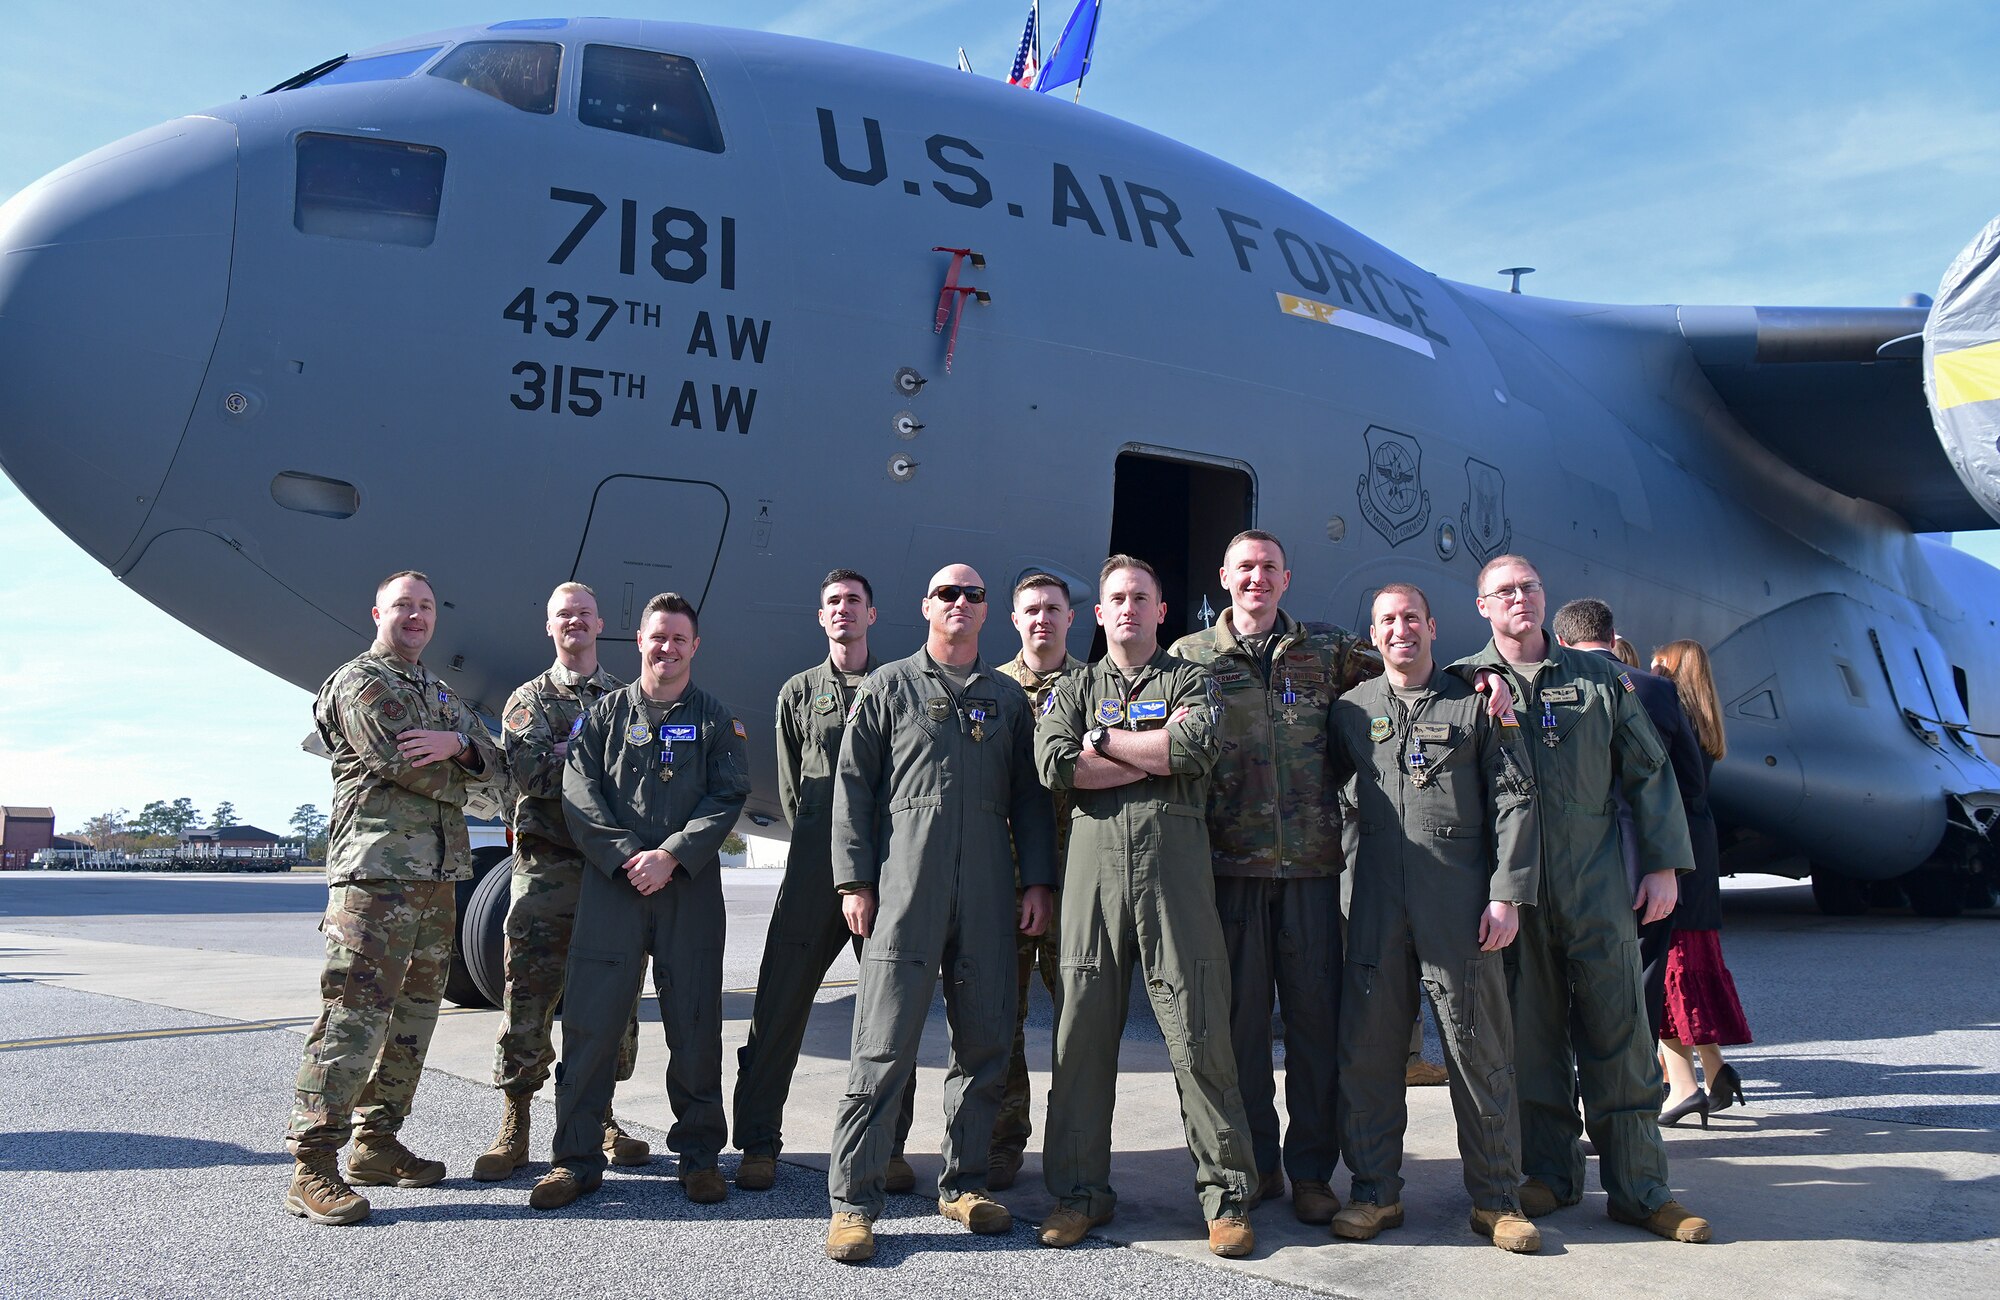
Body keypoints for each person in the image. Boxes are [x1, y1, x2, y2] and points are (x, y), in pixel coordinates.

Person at [1456, 556, 1711, 1243]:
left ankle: (1641, 1189)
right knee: (1533, 1037)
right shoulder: (1462, 685)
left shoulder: (1599, 678)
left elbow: (1649, 770)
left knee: (1620, 1036)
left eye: (1530, 587)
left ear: (1545, 598)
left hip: (1597, 883)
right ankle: (1551, 1174)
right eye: (1504, 591)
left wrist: (1662, 866)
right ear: (1482, 606)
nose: (1520, 598)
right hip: (1519, 892)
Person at [823, 564, 1057, 1263]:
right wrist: (854, 883)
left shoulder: (1007, 699)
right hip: (906, 890)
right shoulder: (891, 686)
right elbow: (854, 787)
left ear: (988, 612)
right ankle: (853, 1203)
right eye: (947, 593)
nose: (960, 603)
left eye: (973, 595)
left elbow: (1030, 800)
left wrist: (1036, 882)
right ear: (926, 605)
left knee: (984, 1043)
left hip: (988, 892)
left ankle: (964, 1183)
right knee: (883, 1045)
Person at [1036, 556, 1260, 1259]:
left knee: (1199, 1038)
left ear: (1163, 611)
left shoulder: (1191, 678)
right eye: (1116, 599)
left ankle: (1225, 1200)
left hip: (1175, 877)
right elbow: (1055, 763)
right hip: (1092, 876)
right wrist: (1146, 752)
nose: (1128, 607)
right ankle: (1079, 1195)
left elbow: (1195, 748)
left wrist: (1102, 744)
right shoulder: (1073, 687)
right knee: (1079, 1043)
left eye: (1141, 596)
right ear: (1097, 615)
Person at [1167, 529, 1377, 1224]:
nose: (1256, 579)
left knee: (1317, 1029)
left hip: (1313, 870)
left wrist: (1480, 677)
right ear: (1224, 577)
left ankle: (1314, 1171)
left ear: (1287, 579)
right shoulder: (1190, 658)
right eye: (1245, 568)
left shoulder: (1328, 651)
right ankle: (1257, 1167)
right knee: (1241, 1030)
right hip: (1230, 872)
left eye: (1269, 569)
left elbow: (1412, 673)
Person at [1327, 583, 1541, 1252]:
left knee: (1480, 1049)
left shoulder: (1474, 703)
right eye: (1388, 620)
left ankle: (1498, 1200)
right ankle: (1373, 1193)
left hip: (1457, 905)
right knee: (1368, 1054)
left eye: (1411, 618)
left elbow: (1515, 798)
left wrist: (1506, 892)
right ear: (1374, 631)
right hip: (1373, 906)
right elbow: (1326, 798)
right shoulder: (1349, 712)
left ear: (1432, 624)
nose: (1401, 631)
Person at [284, 570, 501, 1226]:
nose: (415, 616)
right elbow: (401, 762)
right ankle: (312, 1166)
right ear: (377, 610)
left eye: (426, 607)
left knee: (412, 1019)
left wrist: (461, 745)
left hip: (436, 881)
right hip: (374, 878)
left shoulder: (437, 691)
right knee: (353, 1016)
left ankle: (377, 1144)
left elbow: (500, 767)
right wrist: (463, 761)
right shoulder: (362, 682)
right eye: (403, 605)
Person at [531, 593, 751, 1210]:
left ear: (695, 646)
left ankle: (701, 1157)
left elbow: (727, 794)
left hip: (687, 892)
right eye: (658, 637)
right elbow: (579, 794)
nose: (668, 648)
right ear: (641, 642)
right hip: (614, 890)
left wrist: (672, 856)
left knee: (696, 1024)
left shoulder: (716, 721)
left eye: (680, 639)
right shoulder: (602, 719)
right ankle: (575, 1159)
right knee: (591, 1025)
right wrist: (631, 856)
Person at [732, 570, 917, 1193]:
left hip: (882, 870)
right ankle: (758, 1141)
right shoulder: (798, 693)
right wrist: (823, 841)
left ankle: (888, 1146)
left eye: (854, 603)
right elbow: (790, 789)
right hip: (814, 866)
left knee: (889, 1013)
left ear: (873, 615)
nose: (843, 611)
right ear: (821, 617)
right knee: (778, 1005)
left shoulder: (899, 689)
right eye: (833, 603)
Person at [474, 582, 645, 1183]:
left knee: (612, 1003)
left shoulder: (629, 700)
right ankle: (515, 1123)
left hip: (609, 875)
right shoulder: (529, 700)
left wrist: (580, 757)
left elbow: (643, 780)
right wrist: (598, 762)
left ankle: (601, 1116)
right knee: (529, 995)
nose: (574, 623)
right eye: (563, 616)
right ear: (550, 628)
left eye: (583, 615)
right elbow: (532, 773)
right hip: (547, 873)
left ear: (601, 625)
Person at [1551, 598, 1706, 1043]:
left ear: (1561, 641)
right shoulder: (1656, 690)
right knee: (1644, 976)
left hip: (1574, 861)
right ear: (1613, 638)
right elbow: (1692, 782)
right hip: (1647, 860)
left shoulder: (1550, 690)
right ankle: (1640, 1079)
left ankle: (1580, 1075)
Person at [990, 572, 1087, 1190]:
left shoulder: (1098, 686)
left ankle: (1074, 1144)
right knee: (1002, 1019)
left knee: (1081, 1022)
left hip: (1079, 884)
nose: (1043, 619)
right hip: (1006, 884)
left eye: (1054, 609)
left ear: (1072, 619)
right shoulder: (993, 693)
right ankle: (1003, 1140)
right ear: (1015, 618)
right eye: (1031, 609)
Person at [1651, 639, 1753, 1123]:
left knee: (1666, 976)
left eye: (1659, 663)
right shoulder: (1704, 721)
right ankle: (1716, 1073)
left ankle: (1684, 1086)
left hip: (1678, 849)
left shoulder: (1672, 719)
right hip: (1702, 848)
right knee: (1687, 967)